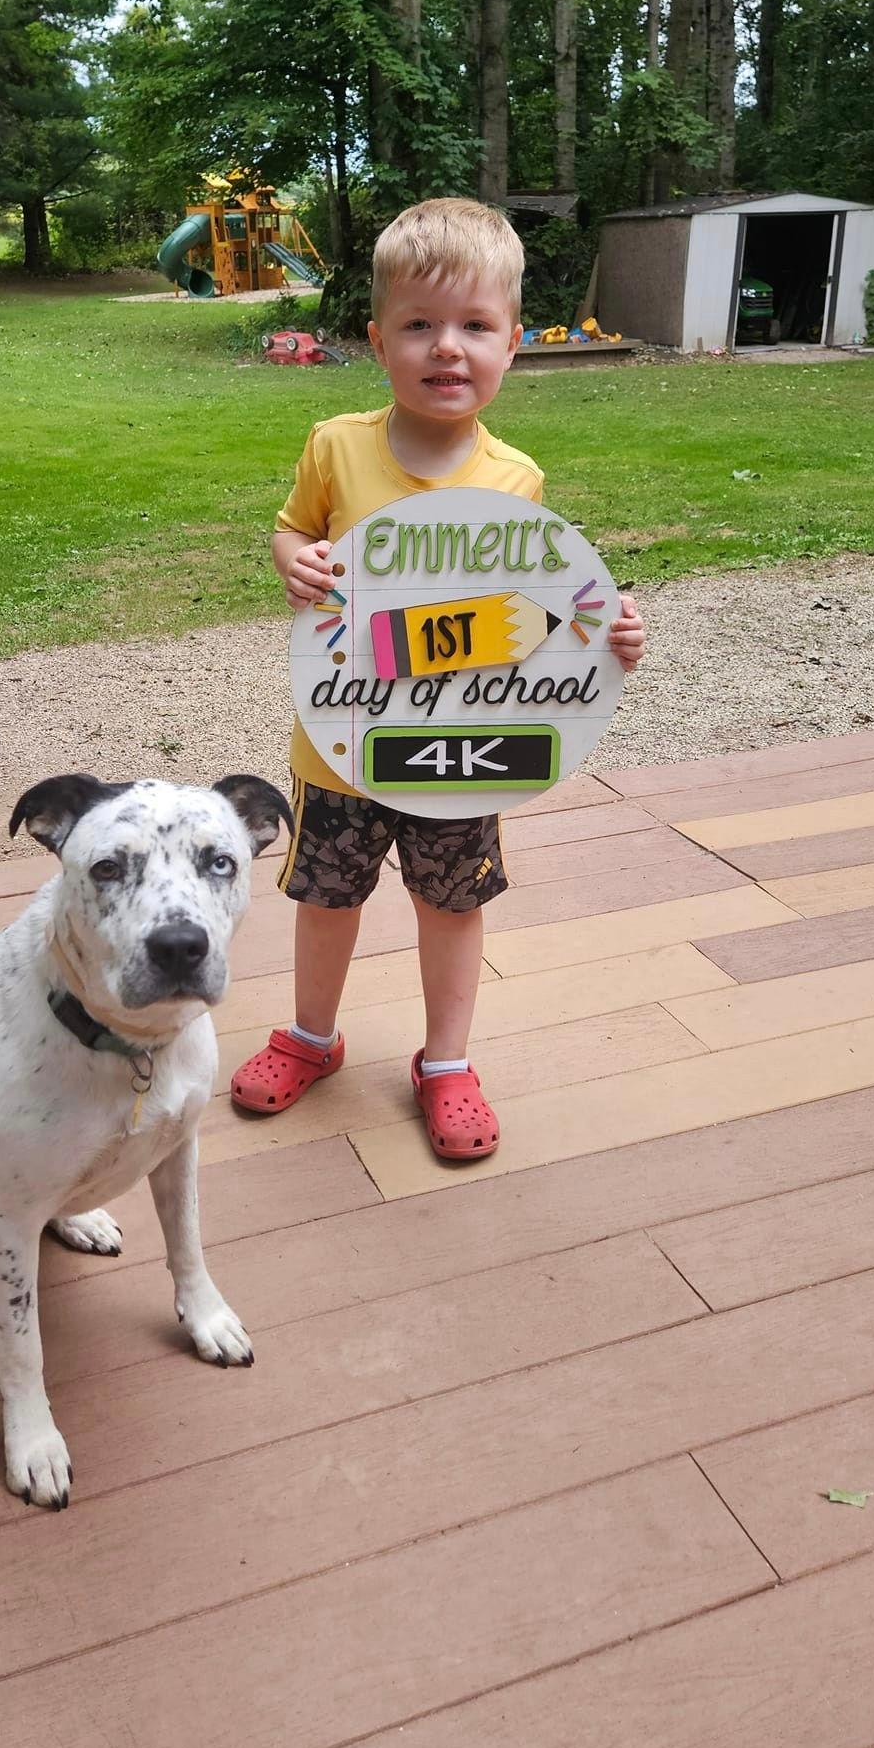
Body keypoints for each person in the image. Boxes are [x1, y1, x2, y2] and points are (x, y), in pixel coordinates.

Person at [230, 198, 646, 1160]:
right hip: (345, 740)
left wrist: (608, 637)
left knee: (453, 902)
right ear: (380, 341)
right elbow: (294, 529)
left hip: (466, 743)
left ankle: (447, 1061)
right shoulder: (337, 444)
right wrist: (291, 557)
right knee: (327, 898)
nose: (446, 348)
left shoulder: (518, 477)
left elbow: (540, 613)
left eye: (475, 327)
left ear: (513, 344)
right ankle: (311, 1037)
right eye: (419, 325)